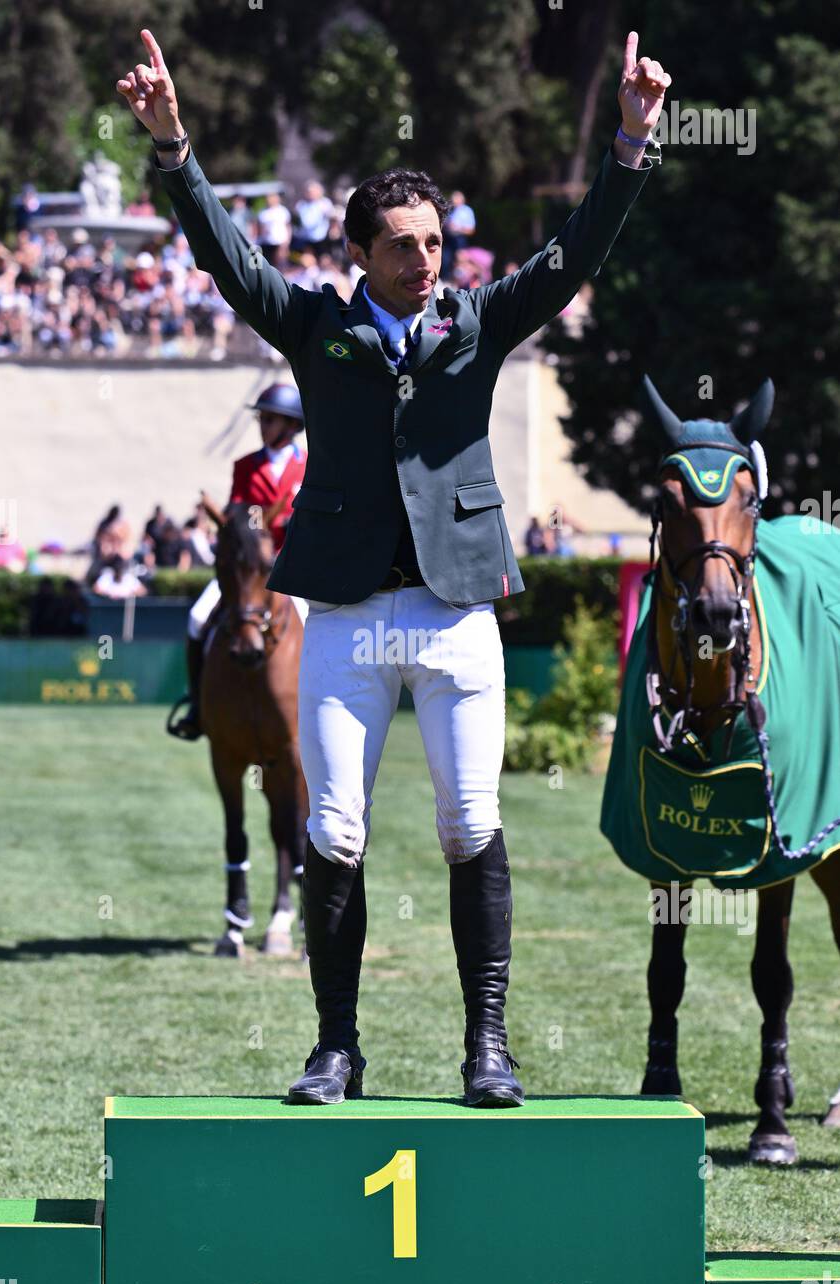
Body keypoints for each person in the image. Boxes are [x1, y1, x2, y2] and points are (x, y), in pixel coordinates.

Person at [119, 26, 670, 1105]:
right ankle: (335, 1046)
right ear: (358, 255)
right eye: (404, 246)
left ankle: (489, 1047)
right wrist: (174, 147)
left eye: (434, 241)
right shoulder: (315, 328)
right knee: (332, 828)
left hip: (455, 608)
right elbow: (231, 260)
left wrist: (628, 142)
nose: (428, 259)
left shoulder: (479, 319)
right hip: (344, 617)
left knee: (470, 823)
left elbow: (576, 253)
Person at [166, 381, 308, 742]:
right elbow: (239, 513)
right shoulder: (244, 466)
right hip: (249, 569)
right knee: (198, 616)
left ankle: (322, 705)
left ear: (292, 425)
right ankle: (198, 705)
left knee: (314, 623)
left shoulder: (310, 465)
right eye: (262, 418)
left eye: (272, 419)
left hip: (294, 567)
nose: (263, 425)